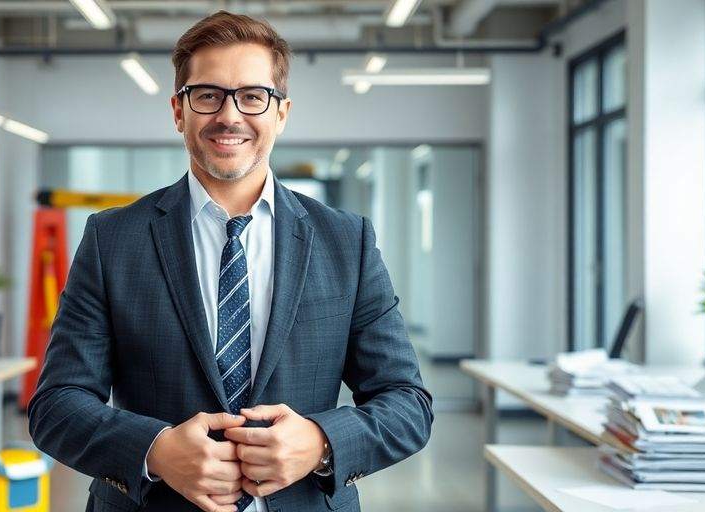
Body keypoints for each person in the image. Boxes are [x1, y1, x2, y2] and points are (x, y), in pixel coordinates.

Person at [28, 10, 433, 512]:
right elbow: (56, 405)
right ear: (179, 110)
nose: (229, 115)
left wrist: (321, 442)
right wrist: (155, 450)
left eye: (253, 96)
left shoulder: (346, 241)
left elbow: (407, 403)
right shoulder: (114, 238)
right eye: (208, 95)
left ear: (281, 113)